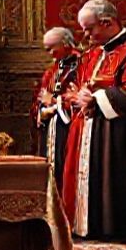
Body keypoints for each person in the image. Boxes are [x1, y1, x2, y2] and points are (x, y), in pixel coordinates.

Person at [60, 0, 126, 240]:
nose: (86, 35)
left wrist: (96, 98)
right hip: (89, 129)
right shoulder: (92, 54)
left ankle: (114, 229)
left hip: (117, 135)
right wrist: (79, 95)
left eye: (89, 28)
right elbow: (79, 86)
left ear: (107, 22)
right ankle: (86, 225)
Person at [32, 27, 79, 191]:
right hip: (51, 128)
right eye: (47, 49)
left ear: (66, 44)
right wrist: (42, 111)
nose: (50, 53)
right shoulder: (52, 70)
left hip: (69, 129)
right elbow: (40, 98)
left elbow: (79, 97)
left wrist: (55, 103)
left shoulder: (82, 65)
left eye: (53, 48)